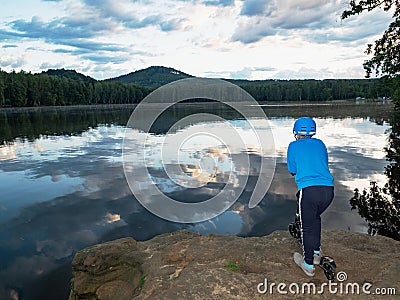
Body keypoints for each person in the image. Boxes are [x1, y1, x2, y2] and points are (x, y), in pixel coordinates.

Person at [287, 117, 334, 276]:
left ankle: (308, 264)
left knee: (306, 226)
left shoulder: (293, 146)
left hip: (309, 191)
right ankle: (315, 253)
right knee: (315, 218)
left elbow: (292, 170)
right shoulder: (320, 144)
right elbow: (322, 164)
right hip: (328, 191)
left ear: (296, 133)